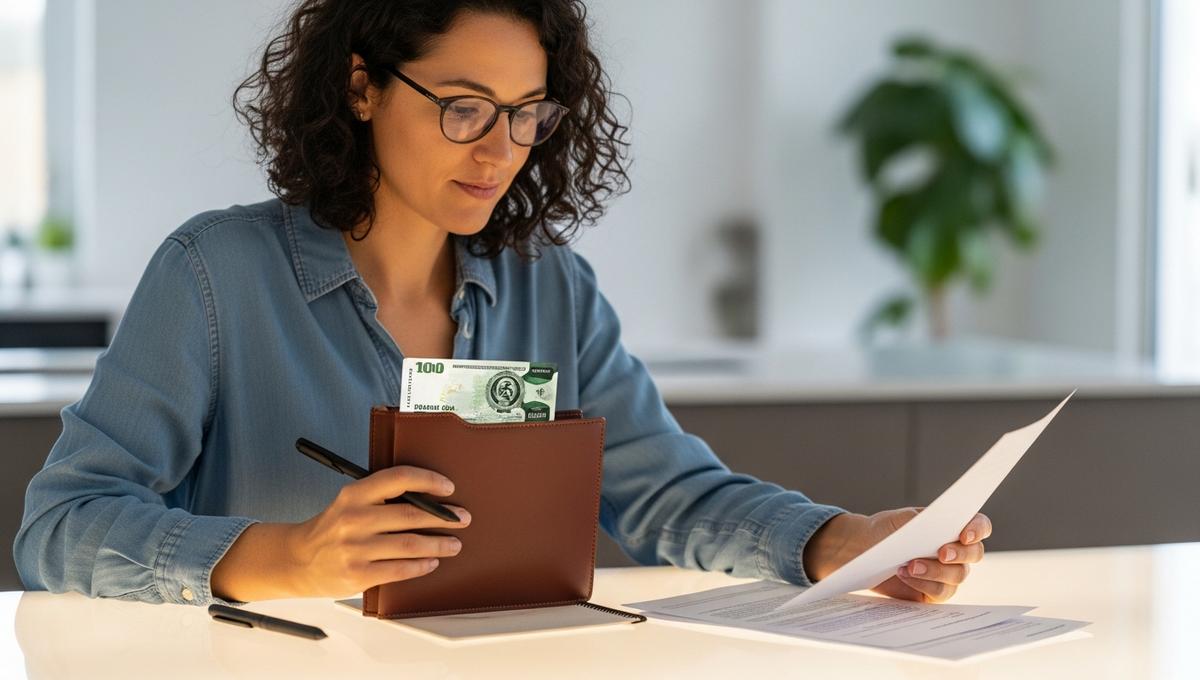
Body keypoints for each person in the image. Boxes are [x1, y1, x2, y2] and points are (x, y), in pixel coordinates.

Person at [13, 0, 990, 606]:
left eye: (527, 114)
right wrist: (293, 553)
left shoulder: (550, 286)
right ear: (362, 87)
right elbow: (59, 528)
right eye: (464, 106)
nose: (498, 149)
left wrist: (843, 542)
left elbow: (667, 491)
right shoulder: (215, 273)